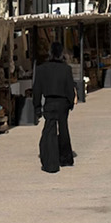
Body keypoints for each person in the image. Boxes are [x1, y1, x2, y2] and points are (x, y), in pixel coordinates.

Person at [33, 42, 76, 173]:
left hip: (49, 102)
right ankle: (65, 158)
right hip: (63, 102)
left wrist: (37, 107)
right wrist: (70, 103)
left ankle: (51, 162)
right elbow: (70, 88)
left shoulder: (41, 69)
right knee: (63, 129)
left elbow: (37, 89)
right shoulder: (66, 69)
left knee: (50, 131)